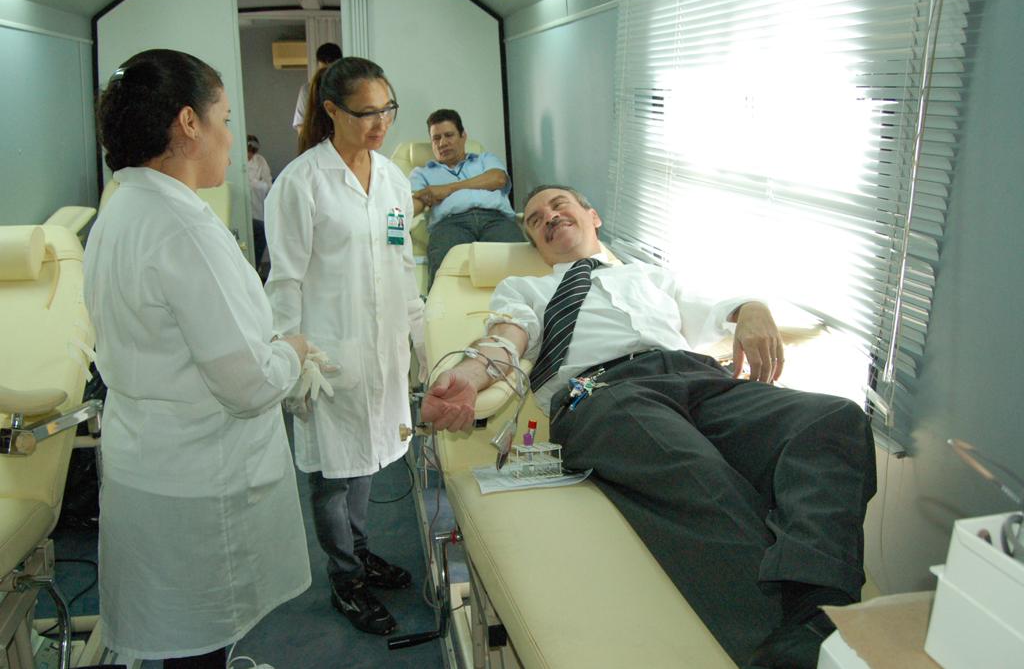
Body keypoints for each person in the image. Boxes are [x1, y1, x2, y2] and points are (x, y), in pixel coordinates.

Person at [420, 184, 878, 669]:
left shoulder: (651, 276)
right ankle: (787, 647)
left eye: (559, 206)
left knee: (833, 420)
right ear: (533, 241)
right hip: (602, 391)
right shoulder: (526, 289)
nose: (548, 217)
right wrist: (471, 374)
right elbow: (503, 340)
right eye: (535, 219)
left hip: (697, 378)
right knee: (695, 469)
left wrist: (752, 309)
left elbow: (717, 308)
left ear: (593, 216)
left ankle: (821, 613)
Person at [85, 49, 312, 668]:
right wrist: (293, 353)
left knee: (183, 636)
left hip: (147, 460)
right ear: (189, 123)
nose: (231, 137)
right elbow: (247, 383)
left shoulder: (121, 209)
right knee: (199, 639)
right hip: (199, 474)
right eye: (226, 119)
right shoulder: (183, 229)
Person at [264, 57, 425, 636]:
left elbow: (403, 265)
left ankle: (359, 551)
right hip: (327, 353)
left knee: (367, 459)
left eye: (388, 110)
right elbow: (285, 280)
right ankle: (345, 578)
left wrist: (420, 340)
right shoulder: (301, 183)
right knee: (333, 471)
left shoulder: (394, 180)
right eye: (366, 113)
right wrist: (291, 357)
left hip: (382, 346)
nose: (381, 123)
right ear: (331, 111)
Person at [408, 108, 523, 288]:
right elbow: (417, 202)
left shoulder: (484, 159)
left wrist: (447, 189)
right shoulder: (421, 173)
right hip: (450, 224)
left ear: (463, 136)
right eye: (436, 138)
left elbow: (498, 179)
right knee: (444, 279)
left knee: (519, 269)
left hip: (496, 219)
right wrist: (407, 205)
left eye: (449, 135)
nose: (442, 143)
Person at [292, 42, 341, 134]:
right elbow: (301, 126)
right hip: (316, 139)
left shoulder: (347, 89)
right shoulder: (308, 90)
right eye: (324, 71)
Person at [247, 134, 272, 271]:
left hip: (259, 206)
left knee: (261, 234)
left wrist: (255, 184)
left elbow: (267, 184)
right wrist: (256, 184)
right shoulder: (237, 159)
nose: (250, 154)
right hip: (245, 206)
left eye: (253, 151)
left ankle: (257, 267)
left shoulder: (260, 161)